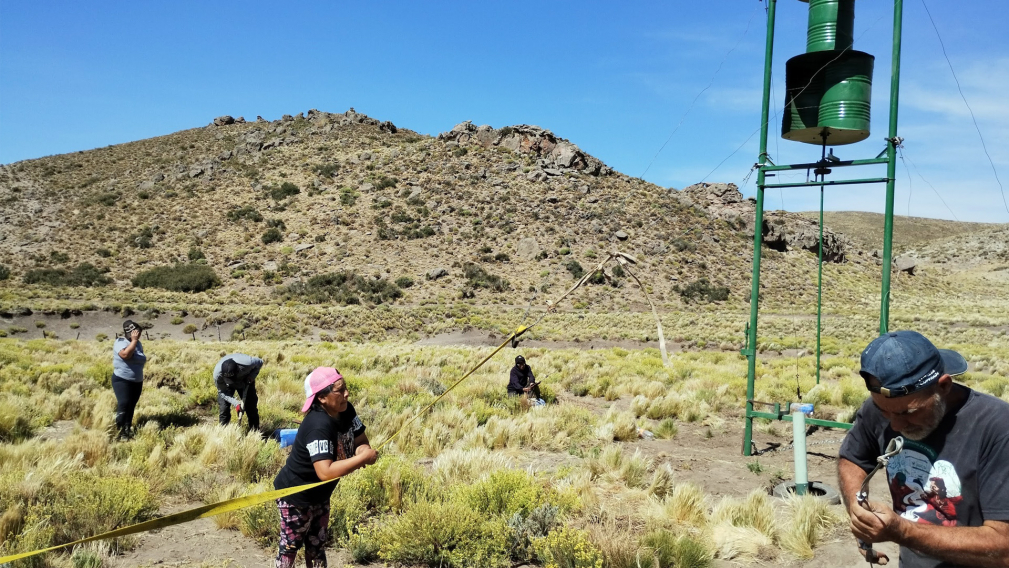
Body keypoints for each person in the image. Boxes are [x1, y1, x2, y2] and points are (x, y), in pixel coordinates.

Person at [838, 330, 1009, 567]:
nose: (895, 425)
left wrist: (902, 532)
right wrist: (859, 513)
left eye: (908, 412)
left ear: (944, 386)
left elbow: (1003, 548)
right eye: (884, 412)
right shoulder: (883, 407)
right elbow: (853, 458)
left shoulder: (998, 427)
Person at [272, 367, 377, 568]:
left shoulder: (346, 410)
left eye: (346, 388)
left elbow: (361, 440)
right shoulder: (318, 425)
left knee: (317, 546)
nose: (346, 394)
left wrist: (363, 452)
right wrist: (361, 459)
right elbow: (325, 471)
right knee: (290, 548)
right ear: (321, 398)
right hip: (295, 497)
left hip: (320, 495)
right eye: (339, 390)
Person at [112, 320, 147, 439]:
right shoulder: (120, 342)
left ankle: (127, 429)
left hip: (137, 381)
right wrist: (134, 340)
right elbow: (126, 355)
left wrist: (136, 342)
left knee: (131, 405)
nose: (139, 335)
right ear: (132, 333)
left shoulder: (138, 344)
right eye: (137, 332)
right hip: (122, 380)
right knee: (124, 404)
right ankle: (119, 431)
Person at [214, 353, 263, 430]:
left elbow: (260, 362)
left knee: (251, 407)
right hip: (227, 386)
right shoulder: (218, 375)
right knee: (224, 409)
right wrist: (236, 404)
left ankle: (255, 432)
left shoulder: (248, 363)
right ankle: (223, 433)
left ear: (238, 370)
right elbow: (223, 392)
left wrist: (251, 376)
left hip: (245, 381)